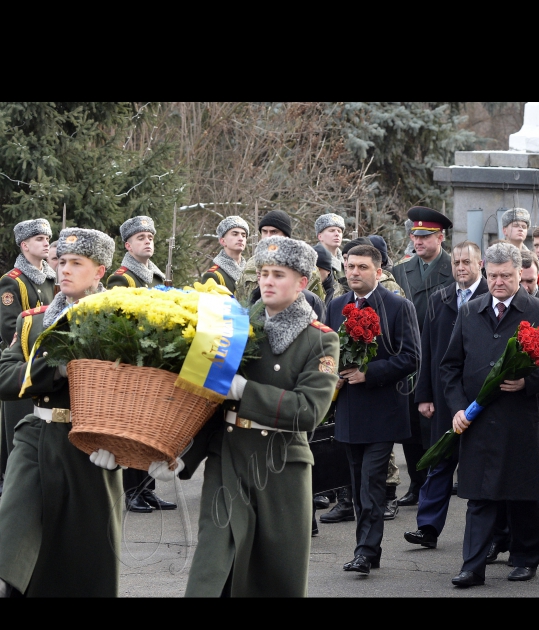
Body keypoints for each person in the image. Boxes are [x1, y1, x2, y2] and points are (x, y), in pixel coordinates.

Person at [180, 236, 339, 597]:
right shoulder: (234, 329)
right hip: (229, 459)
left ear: (302, 282)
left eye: (278, 274)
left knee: (272, 575)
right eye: (264, 273)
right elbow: (208, 403)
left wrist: (243, 391)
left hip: (280, 468)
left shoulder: (320, 341)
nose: (267, 281)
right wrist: (180, 455)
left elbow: (309, 410)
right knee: (212, 569)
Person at [0, 227, 121, 597]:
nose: (64, 269)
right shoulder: (32, 321)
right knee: (12, 547)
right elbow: (4, 376)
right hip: (36, 441)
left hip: (92, 449)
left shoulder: (124, 319)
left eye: (76, 263)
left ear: (99, 271)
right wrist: (54, 369)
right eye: (61, 261)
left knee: (85, 562)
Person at [442, 242, 539, 588]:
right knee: (479, 494)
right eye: (493, 275)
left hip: (521, 418)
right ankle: (472, 566)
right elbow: (450, 367)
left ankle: (526, 557)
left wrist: (528, 382)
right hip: (478, 419)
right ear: (485, 271)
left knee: (522, 493)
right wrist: (457, 407)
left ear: (521, 275)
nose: (498, 282)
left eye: (506, 276)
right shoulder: (470, 311)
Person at [327, 244, 420, 575]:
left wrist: (369, 374)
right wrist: (331, 376)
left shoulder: (397, 306)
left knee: (371, 485)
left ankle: (365, 551)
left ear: (378, 272)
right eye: (350, 266)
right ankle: (368, 550)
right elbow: (325, 352)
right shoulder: (336, 305)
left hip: (382, 411)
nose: (354, 272)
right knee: (355, 484)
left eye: (362, 267)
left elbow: (410, 357)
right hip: (348, 411)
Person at [404, 241, 488, 548]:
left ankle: (486, 536)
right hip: (443, 398)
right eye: (456, 263)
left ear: (480, 264)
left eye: (467, 262)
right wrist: (423, 395)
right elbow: (426, 350)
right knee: (439, 462)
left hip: (480, 398)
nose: (461, 267)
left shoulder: (490, 298)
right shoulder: (440, 300)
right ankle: (427, 527)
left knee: (478, 468)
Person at [106, 215, 175, 514]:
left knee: (152, 429)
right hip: (134, 361)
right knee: (133, 428)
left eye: (151, 237)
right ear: (128, 244)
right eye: (141, 238)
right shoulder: (122, 277)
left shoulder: (158, 277)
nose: (148, 241)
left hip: (157, 360)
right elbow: (122, 322)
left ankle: (148, 489)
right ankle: (132, 490)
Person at [393, 206, 453, 507]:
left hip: (439, 354)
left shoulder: (453, 268)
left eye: (425, 236)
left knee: (435, 424)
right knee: (410, 427)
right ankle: (417, 483)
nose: (418, 241)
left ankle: (436, 482)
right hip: (408, 356)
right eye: (415, 236)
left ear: (440, 237)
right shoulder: (401, 270)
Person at [0, 218, 56, 496]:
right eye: (39, 239)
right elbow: (10, 328)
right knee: (17, 428)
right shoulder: (13, 282)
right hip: (25, 361)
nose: (46, 242)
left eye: (47, 238)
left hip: (47, 360)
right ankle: (11, 482)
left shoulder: (52, 278)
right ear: (24, 245)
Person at [238, 210, 326, 320]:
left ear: (286, 236)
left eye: (274, 232)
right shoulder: (251, 264)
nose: (268, 237)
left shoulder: (304, 265)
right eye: (265, 232)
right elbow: (241, 298)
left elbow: (316, 303)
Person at [201, 215, 248, 295]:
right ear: (223, 241)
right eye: (235, 234)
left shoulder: (251, 272)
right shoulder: (213, 275)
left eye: (243, 235)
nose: (240, 238)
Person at [315, 213, 345, 284]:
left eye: (339, 231)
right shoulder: (313, 260)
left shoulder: (346, 262)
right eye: (332, 230)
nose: (337, 234)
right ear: (320, 236)